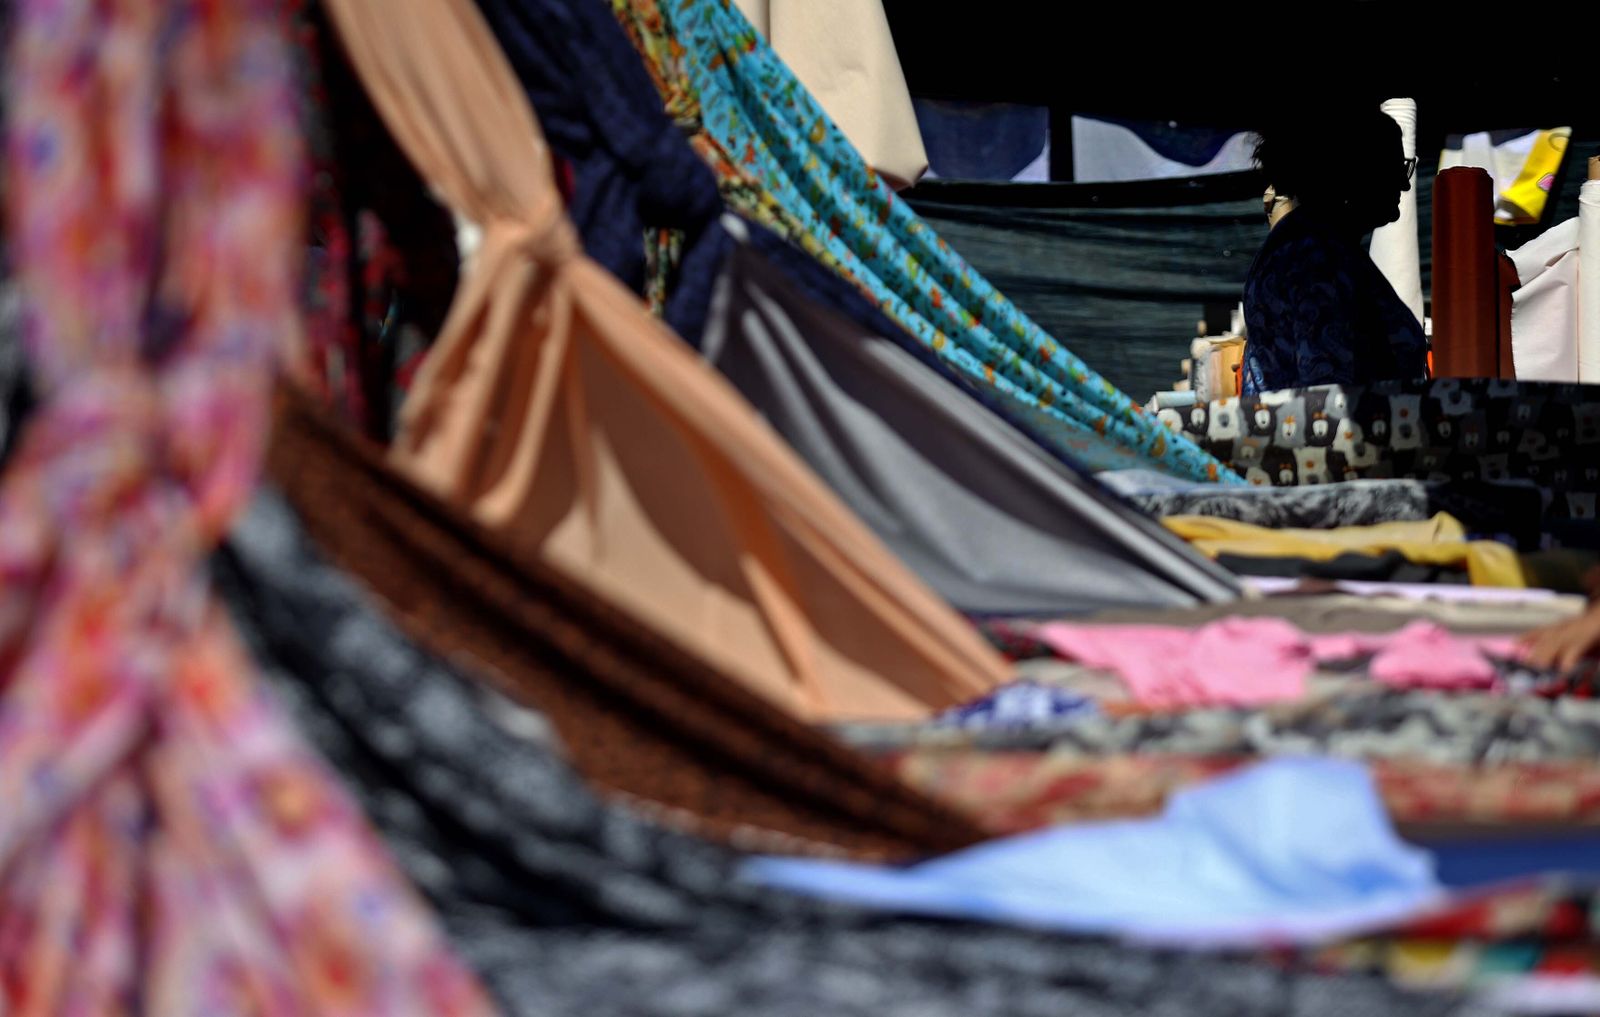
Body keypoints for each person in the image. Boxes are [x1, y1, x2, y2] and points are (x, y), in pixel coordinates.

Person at [1241, 107, 1429, 396]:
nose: (1403, 183)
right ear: (1354, 170)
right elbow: (1328, 397)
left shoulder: (1316, 245)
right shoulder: (1316, 259)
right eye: (1395, 166)